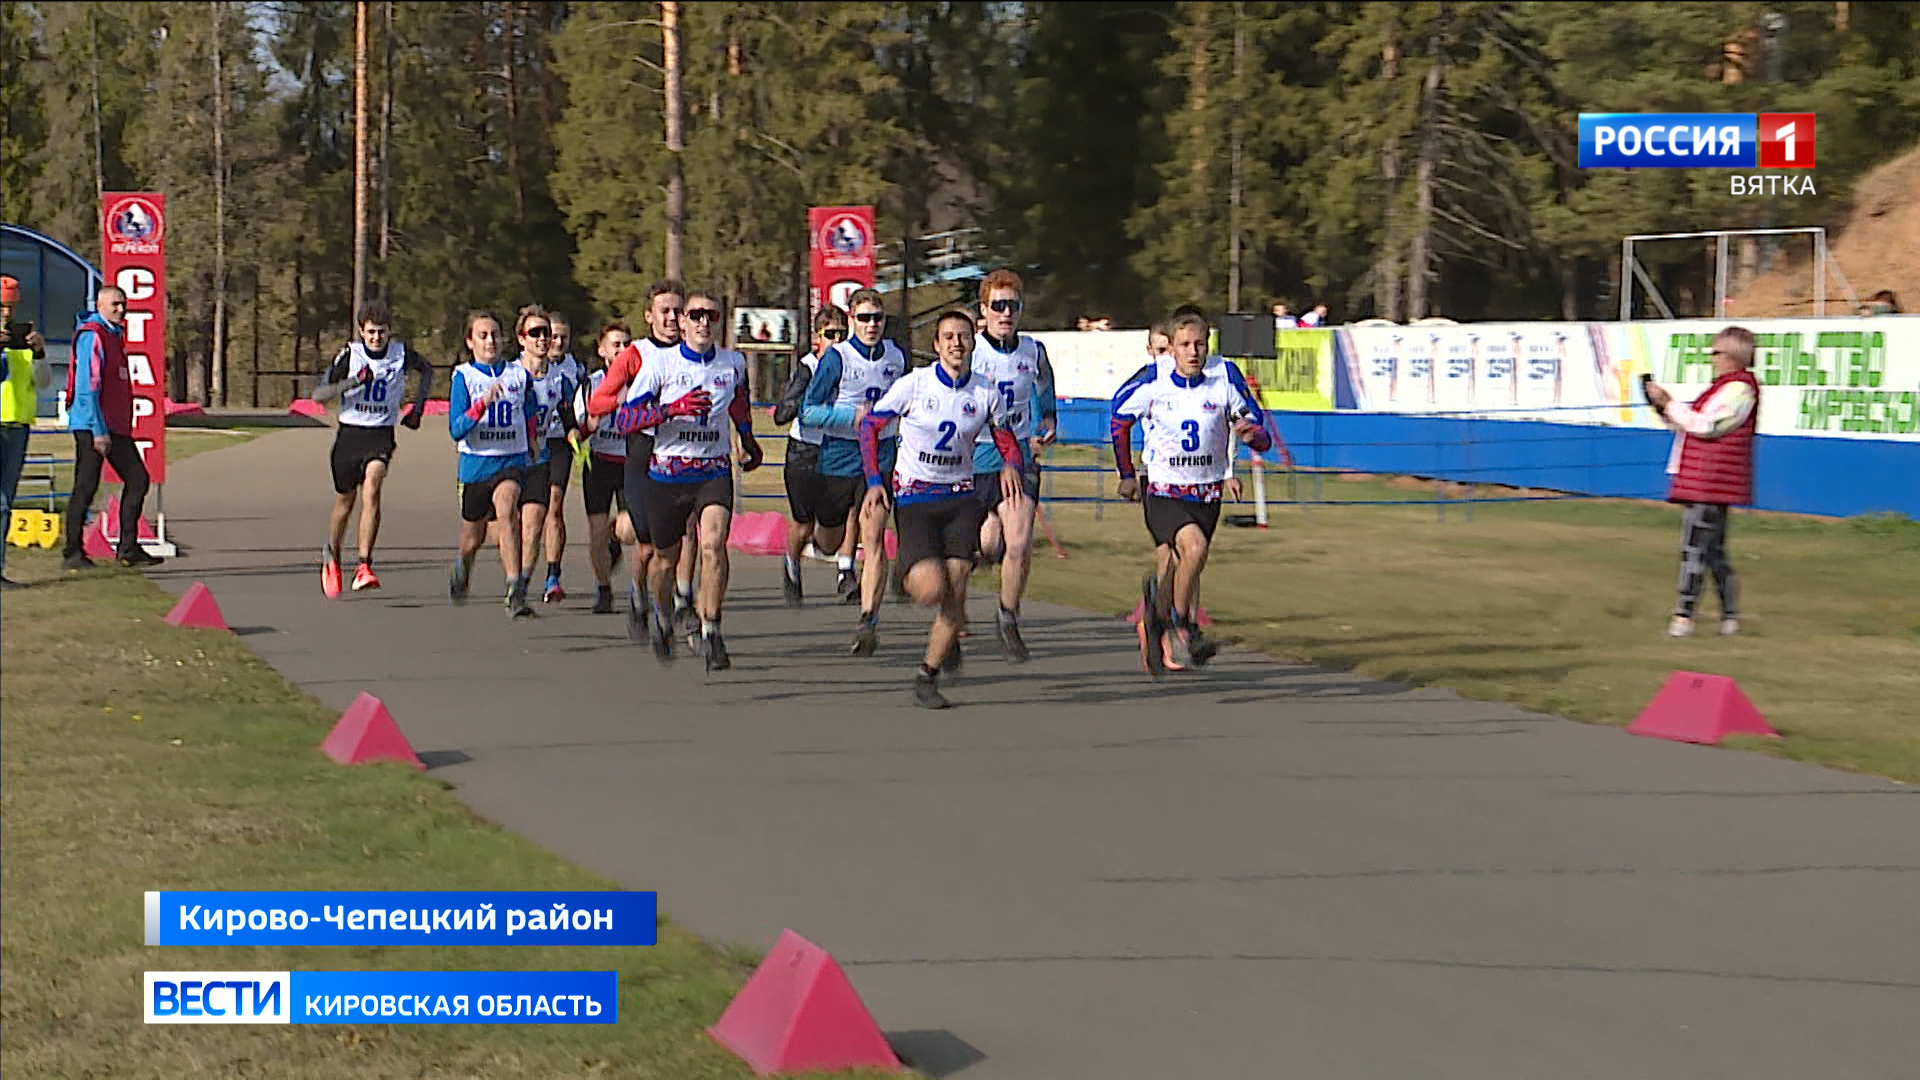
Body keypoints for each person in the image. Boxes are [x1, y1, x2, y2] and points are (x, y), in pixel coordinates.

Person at [858, 308, 1025, 708]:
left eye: (963, 336)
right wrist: (874, 480)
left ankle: (927, 676)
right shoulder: (914, 384)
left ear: (972, 343)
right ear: (936, 345)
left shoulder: (985, 392)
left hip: (960, 499)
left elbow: (1005, 438)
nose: (956, 344)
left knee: (956, 587)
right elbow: (869, 427)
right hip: (916, 499)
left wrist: (1011, 464)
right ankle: (905, 577)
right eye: (948, 337)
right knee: (932, 589)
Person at [608, 288, 763, 670]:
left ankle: (711, 629)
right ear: (683, 321)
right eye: (696, 315)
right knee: (665, 560)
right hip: (667, 474)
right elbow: (625, 419)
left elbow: (738, 402)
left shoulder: (733, 362)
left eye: (711, 315)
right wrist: (669, 410)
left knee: (712, 544)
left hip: (713, 471)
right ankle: (663, 616)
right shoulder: (660, 364)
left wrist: (748, 439)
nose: (703, 322)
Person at [1110, 311, 1272, 677]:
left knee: (1182, 565)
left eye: (1199, 344)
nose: (1193, 352)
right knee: (1193, 548)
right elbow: (1119, 419)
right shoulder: (1154, 379)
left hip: (1206, 492)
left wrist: (1251, 434)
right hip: (1163, 490)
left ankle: (1156, 618)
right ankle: (1184, 626)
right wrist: (1127, 474)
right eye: (1184, 345)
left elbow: (1260, 434)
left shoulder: (1223, 377)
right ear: (1172, 349)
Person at [799, 287, 908, 655]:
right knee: (829, 539)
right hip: (839, 456)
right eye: (864, 318)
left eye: (877, 318)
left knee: (873, 534)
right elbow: (808, 412)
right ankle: (826, 547)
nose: (871, 325)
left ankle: (868, 619)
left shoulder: (896, 356)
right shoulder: (837, 358)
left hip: (880, 456)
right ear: (851, 320)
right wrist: (851, 416)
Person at [1641, 326, 1760, 638]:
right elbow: (1689, 423)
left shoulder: (1739, 390)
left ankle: (1684, 616)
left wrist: (1669, 403)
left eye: (1716, 352)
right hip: (1707, 479)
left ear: (1733, 355)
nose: (1712, 359)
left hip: (1711, 480)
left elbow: (1706, 426)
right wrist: (1662, 407)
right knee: (1712, 552)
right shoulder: (1724, 389)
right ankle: (1729, 617)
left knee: (1694, 549)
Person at [309, 300, 431, 598]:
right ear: (362, 331)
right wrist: (353, 381)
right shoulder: (350, 355)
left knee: (373, 488)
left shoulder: (400, 354)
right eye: (371, 332)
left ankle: (364, 564)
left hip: (380, 434)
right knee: (345, 502)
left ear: (389, 332)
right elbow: (319, 395)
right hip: (350, 435)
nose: (377, 338)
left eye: (382, 332)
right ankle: (332, 551)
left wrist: (417, 407)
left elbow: (427, 370)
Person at [969, 269, 1058, 661]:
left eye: (1013, 306)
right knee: (986, 546)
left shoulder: (1033, 350)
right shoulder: (969, 349)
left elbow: (1045, 384)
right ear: (984, 310)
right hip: (974, 455)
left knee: (1019, 541)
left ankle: (1008, 616)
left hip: (1016, 454)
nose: (1006, 314)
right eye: (998, 306)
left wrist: (1049, 420)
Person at [589, 280, 683, 643]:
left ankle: (681, 601)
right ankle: (638, 593)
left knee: (685, 537)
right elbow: (598, 402)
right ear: (649, 316)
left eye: (678, 311)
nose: (672, 317)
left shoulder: (697, 352)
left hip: (684, 455)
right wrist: (629, 401)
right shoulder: (635, 354)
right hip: (643, 454)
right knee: (647, 546)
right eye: (665, 311)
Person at [447, 310, 540, 618]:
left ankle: (515, 588)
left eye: (495, 335)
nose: (490, 341)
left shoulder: (518, 375)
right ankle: (464, 564)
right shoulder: (463, 377)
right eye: (483, 335)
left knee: (507, 511)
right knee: (472, 538)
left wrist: (532, 439)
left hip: (510, 460)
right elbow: (456, 429)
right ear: (470, 341)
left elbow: (529, 410)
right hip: (475, 466)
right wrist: (481, 404)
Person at [61, 285, 160, 570]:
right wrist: (97, 430)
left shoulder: (115, 335)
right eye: (115, 304)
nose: (121, 309)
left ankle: (128, 548)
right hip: (92, 424)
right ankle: (73, 551)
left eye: (123, 304)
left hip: (114, 425)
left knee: (138, 479)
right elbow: (88, 386)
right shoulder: (93, 335)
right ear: (100, 305)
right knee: (86, 486)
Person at [770, 304, 849, 605]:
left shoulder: (852, 365)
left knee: (833, 535)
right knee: (803, 524)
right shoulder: (808, 367)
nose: (837, 341)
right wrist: (804, 401)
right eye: (830, 334)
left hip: (837, 451)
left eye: (842, 334)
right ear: (818, 337)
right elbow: (782, 413)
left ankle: (841, 565)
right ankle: (792, 566)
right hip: (804, 452)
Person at [576, 321, 640, 614]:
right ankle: (603, 589)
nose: (622, 350)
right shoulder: (591, 384)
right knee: (596, 532)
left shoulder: (642, 380)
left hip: (630, 464)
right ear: (602, 350)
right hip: (600, 463)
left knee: (629, 530)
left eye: (627, 344)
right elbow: (580, 428)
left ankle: (615, 536)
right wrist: (594, 419)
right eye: (616, 345)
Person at [532, 309, 585, 603]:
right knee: (525, 513)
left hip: (559, 444)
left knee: (554, 506)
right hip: (526, 444)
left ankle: (553, 576)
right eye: (553, 336)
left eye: (564, 337)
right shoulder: (520, 367)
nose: (557, 342)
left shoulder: (575, 369)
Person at [1, 275, 51, 588]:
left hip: (17, 426)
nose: (6, 313)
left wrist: (40, 353)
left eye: (10, 307)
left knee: (6, 501)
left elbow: (43, 382)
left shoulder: (22, 339)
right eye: (1, 307)